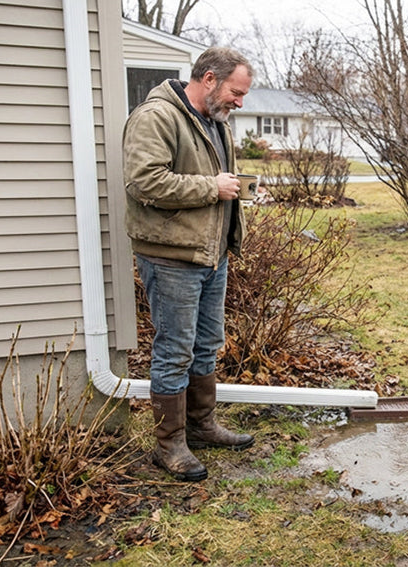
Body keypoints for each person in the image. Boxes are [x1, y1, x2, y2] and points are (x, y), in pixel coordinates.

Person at [123, 47, 255, 482]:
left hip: (210, 255)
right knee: (174, 351)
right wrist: (210, 187)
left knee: (204, 345)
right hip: (172, 257)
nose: (240, 102)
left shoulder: (215, 122)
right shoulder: (157, 117)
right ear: (211, 78)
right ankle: (169, 445)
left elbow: (213, 185)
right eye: (237, 92)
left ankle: (200, 427)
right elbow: (144, 181)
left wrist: (234, 191)